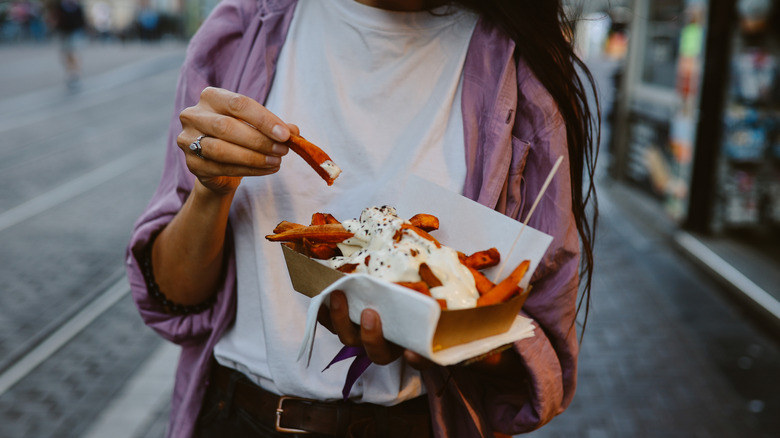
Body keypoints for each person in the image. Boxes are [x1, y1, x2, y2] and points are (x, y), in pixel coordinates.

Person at [126, 0, 599, 437]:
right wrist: (212, 192)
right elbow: (174, 296)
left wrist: (449, 336)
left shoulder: (520, 71)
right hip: (235, 418)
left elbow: (540, 345)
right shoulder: (242, 33)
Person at [51, 0, 85, 87]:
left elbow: (82, 20)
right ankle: (70, 71)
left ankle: (75, 72)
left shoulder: (77, 6)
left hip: (74, 32)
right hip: (63, 32)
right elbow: (55, 17)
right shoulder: (60, 5)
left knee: (73, 52)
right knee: (65, 53)